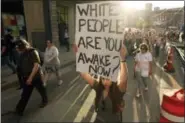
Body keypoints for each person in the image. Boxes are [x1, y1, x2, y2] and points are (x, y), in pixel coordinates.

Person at [73, 43, 128, 114]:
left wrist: (122, 60)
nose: (105, 82)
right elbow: (84, 74)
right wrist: (79, 56)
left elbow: (124, 79)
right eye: (103, 79)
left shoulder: (118, 90)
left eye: (108, 79)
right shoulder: (98, 87)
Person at [15, 39, 48, 116]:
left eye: (19, 48)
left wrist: (30, 78)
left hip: (35, 76)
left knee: (41, 90)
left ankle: (45, 101)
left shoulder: (33, 52)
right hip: (27, 76)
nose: (18, 50)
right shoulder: (22, 54)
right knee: (25, 94)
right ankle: (19, 109)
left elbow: (36, 66)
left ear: (23, 47)